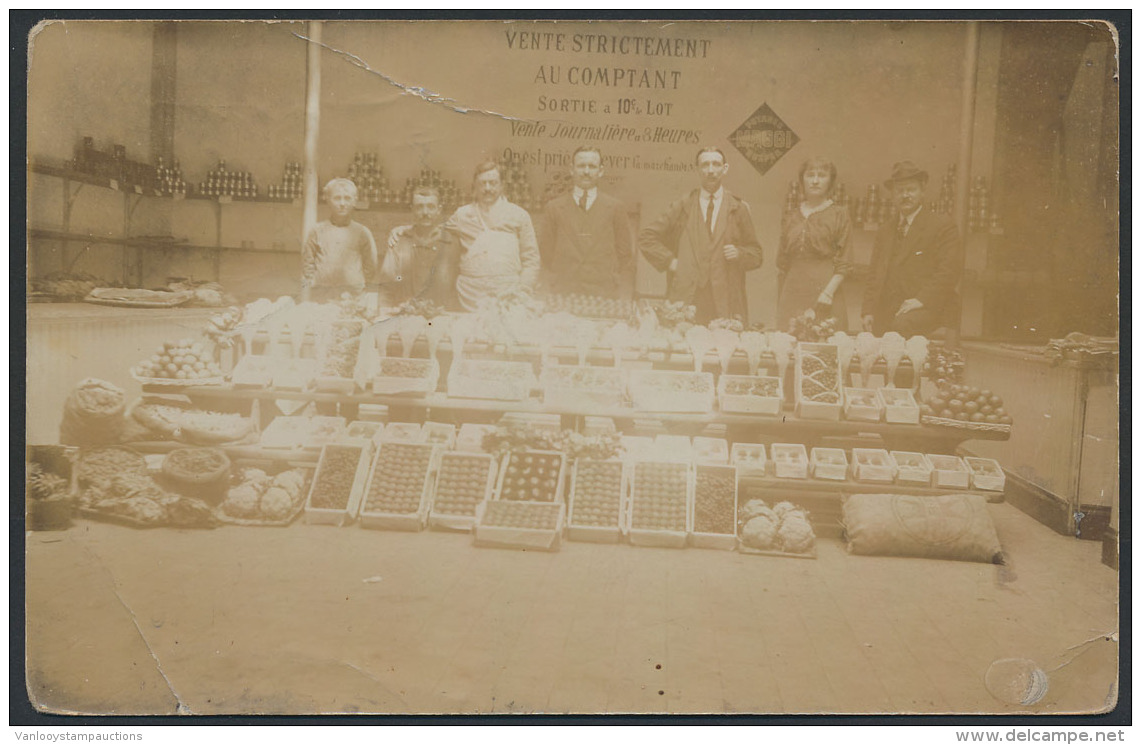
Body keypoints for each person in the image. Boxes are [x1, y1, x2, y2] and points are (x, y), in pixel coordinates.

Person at [639, 146, 763, 324]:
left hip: (724, 298)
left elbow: (757, 255)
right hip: (688, 297)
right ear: (697, 169)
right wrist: (670, 261)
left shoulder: (738, 208)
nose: (711, 170)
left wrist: (740, 253)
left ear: (725, 169)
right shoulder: (683, 205)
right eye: (705, 165)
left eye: (716, 164)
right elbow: (646, 237)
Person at [861, 160, 962, 337]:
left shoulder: (942, 225)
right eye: (900, 191)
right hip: (892, 307)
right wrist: (868, 310)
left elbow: (949, 272)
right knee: (873, 336)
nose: (905, 195)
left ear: (923, 192)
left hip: (928, 304)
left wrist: (920, 300)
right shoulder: (886, 230)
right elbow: (874, 274)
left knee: (901, 327)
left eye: (911, 190)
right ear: (892, 195)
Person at [537, 145, 633, 298]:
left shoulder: (616, 208)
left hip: (603, 296)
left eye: (592, 166)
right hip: (564, 294)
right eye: (581, 166)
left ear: (601, 171)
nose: (586, 172)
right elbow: (545, 254)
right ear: (572, 169)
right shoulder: (554, 208)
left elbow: (625, 256)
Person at [443, 160, 540, 311]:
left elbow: (531, 260)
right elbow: (434, 230)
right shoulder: (462, 215)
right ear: (475, 186)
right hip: (470, 295)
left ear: (502, 185)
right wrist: (405, 229)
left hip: (509, 294)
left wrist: (522, 290)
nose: (487, 188)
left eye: (493, 183)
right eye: (482, 183)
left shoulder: (519, 215)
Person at [777, 157, 855, 332]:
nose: (815, 180)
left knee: (824, 343)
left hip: (826, 292)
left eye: (822, 175)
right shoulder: (791, 216)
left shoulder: (839, 214)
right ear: (802, 180)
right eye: (810, 175)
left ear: (831, 182)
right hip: (793, 291)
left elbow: (845, 261)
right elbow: (782, 261)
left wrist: (828, 293)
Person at [300, 178, 378, 303]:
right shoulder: (316, 231)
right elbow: (307, 264)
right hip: (322, 296)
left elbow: (371, 266)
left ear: (354, 201)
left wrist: (356, 284)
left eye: (347, 198)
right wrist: (317, 282)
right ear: (328, 200)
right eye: (337, 198)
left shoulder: (363, 232)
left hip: (353, 297)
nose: (342, 203)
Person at [379, 186, 453, 308]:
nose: (425, 213)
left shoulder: (450, 243)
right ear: (412, 209)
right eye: (419, 207)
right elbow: (386, 287)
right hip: (404, 316)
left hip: (440, 318)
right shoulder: (398, 242)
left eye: (430, 207)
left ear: (439, 210)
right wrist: (383, 316)